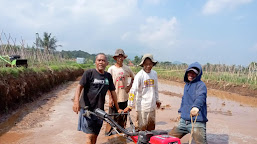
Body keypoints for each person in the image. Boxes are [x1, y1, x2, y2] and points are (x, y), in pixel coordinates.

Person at [72, 53, 123, 144]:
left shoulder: (108, 76)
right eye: (99, 60)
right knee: (89, 136)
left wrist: (118, 108)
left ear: (107, 63)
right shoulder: (89, 73)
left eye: (103, 60)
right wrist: (76, 102)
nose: (101, 62)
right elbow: (79, 87)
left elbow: (113, 92)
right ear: (95, 62)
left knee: (95, 135)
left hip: (99, 111)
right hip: (87, 110)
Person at [169, 62, 208, 144]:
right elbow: (184, 100)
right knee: (169, 139)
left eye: (194, 73)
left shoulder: (201, 85)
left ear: (198, 75)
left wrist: (196, 107)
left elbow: (201, 97)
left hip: (197, 122)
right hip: (183, 121)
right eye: (189, 72)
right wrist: (180, 112)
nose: (191, 75)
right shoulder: (187, 85)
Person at [124, 54, 161, 131]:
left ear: (153, 64)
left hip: (152, 105)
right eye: (146, 64)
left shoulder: (154, 74)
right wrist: (130, 105)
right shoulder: (139, 75)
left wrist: (157, 100)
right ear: (143, 64)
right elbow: (132, 90)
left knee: (151, 127)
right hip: (142, 107)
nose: (148, 66)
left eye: (150, 64)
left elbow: (156, 88)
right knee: (141, 128)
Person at [105, 49, 135, 135]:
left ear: (124, 58)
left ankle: (121, 132)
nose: (120, 58)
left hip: (124, 97)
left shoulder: (127, 68)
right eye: (118, 57)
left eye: (122, 56)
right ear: (115, 58)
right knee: (111, 117)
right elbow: (107, 85)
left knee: (123, 117)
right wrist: (110, 98)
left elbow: (134, 78)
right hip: (114, 98)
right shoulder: (111, 69)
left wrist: (129, 86)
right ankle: (108, 133)